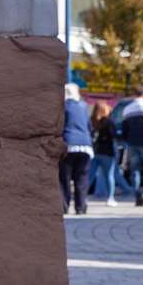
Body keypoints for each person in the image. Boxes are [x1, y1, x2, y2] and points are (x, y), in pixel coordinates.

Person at [59, 83, 92, 215]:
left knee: (64, 178)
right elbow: (89, 126)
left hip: (68, 144)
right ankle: (80, 207)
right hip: (85, 145)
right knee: (81, 178)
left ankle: (64, 205)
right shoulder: (84, 106)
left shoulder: (62, 107)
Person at [87, 101, 120, 206]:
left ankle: (82, 196)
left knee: (89, 176)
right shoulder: (109, 122)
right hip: (107, 152)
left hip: (94, 152)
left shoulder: (91, 121)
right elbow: (114, 136)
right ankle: (110, 198)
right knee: (109, 176)